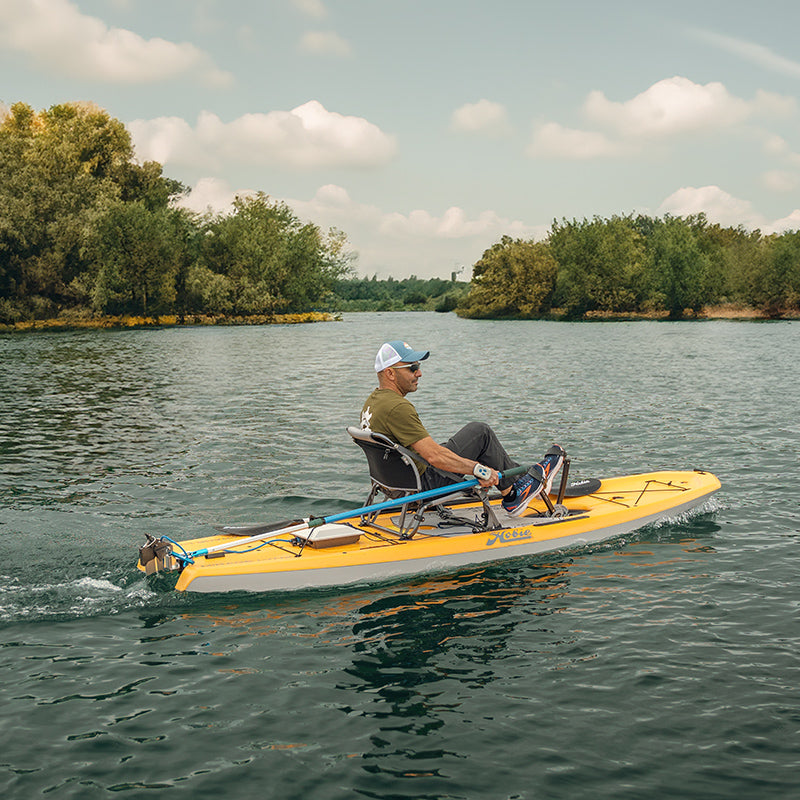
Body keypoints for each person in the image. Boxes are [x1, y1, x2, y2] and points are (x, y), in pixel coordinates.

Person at [360, 340, 564, 516]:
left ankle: (525, 480)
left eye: (418, 366)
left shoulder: (373, 402)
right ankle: (514, 495)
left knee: (460, 446)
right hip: (422, 487)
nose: (419, 373)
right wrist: (480, 470)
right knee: (480, 433)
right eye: (412, 367)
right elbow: (434, 457)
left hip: (394, 486)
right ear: (390, 373)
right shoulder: (397, 407)